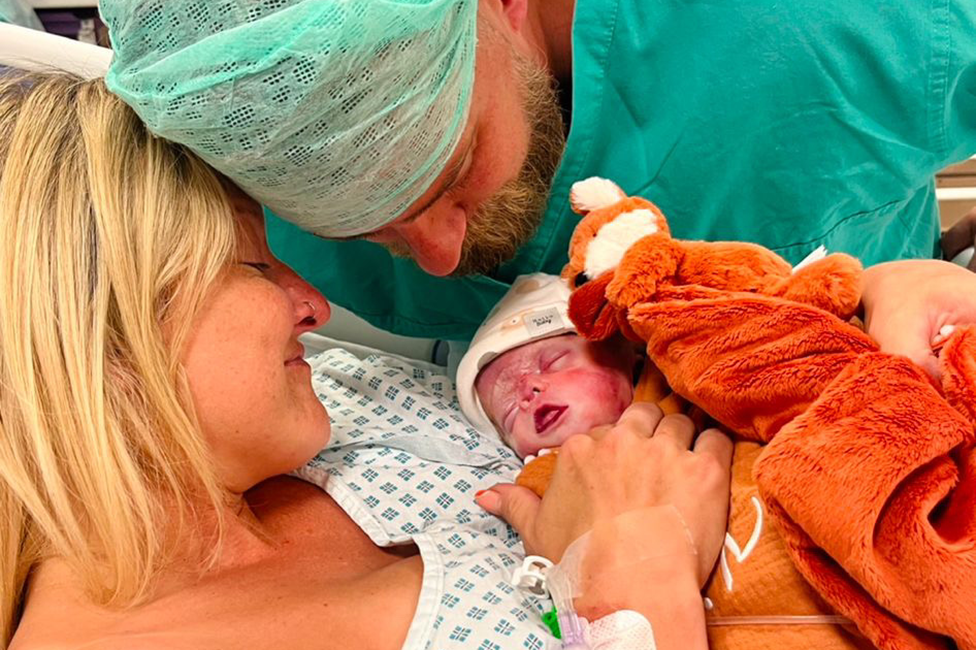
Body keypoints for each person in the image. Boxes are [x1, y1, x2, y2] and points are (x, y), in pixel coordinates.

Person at [0, 72, 734, 650]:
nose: (315, 306)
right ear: (105, 337)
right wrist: (634, 585)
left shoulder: (331, 396)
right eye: (255, 265)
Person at [98, 0, 976, 372]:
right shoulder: (217, 150)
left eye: (452, 178)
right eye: (368, 231)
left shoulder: (860, 27)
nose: (440, 263)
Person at [455, 274, 638, 459]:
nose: (527, 393)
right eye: (510, 414)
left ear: (623, 347)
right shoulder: (536, 482)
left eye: (553, 362)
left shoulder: (664, 386)